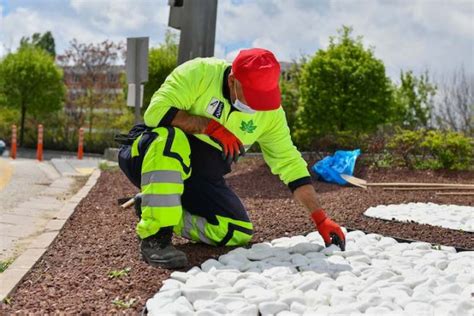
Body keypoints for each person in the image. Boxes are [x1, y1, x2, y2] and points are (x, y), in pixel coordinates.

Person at [118, 48, 345, 269]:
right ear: (232, 80)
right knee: (171, 138)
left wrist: (320, 218)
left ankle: (155, 207)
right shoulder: (199, 73)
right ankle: (156, 238)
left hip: (200, 176)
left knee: (236, 230)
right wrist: (210, 126)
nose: (257, 107)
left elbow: (290, 163)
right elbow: (155, 113)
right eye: (252, 97)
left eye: (263, 98)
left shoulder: (270, 113)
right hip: (150, 156)